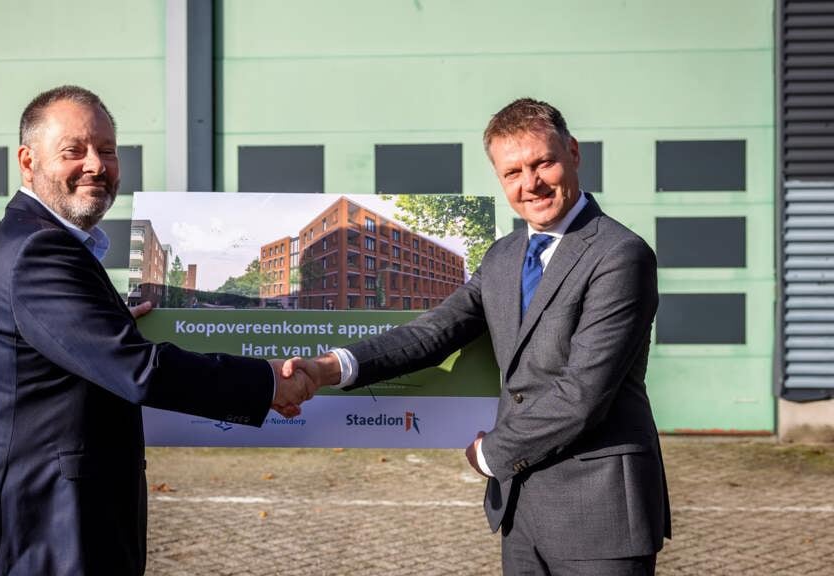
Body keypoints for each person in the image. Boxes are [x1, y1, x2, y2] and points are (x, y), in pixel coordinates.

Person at [0, 85, 312, 576]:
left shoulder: (33, 239)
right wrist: (269, 383)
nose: (96, 164)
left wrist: (105, 326)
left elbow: (65, 347)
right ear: (28, 162)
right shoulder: (39, 250)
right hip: (35, 537)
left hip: (39, 530)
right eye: (74, 151)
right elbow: (139, 370)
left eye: (107, 151)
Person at [286, 98, 670, 575]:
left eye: (542, 163)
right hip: (521, 512)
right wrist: (328, 368)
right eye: (513, 172)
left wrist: (491, 454)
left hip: (600, 513)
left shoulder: (620, 255)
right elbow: (434, 332)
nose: (530, 184)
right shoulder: (503, 257)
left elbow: (582, 394)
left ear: (572, 152)